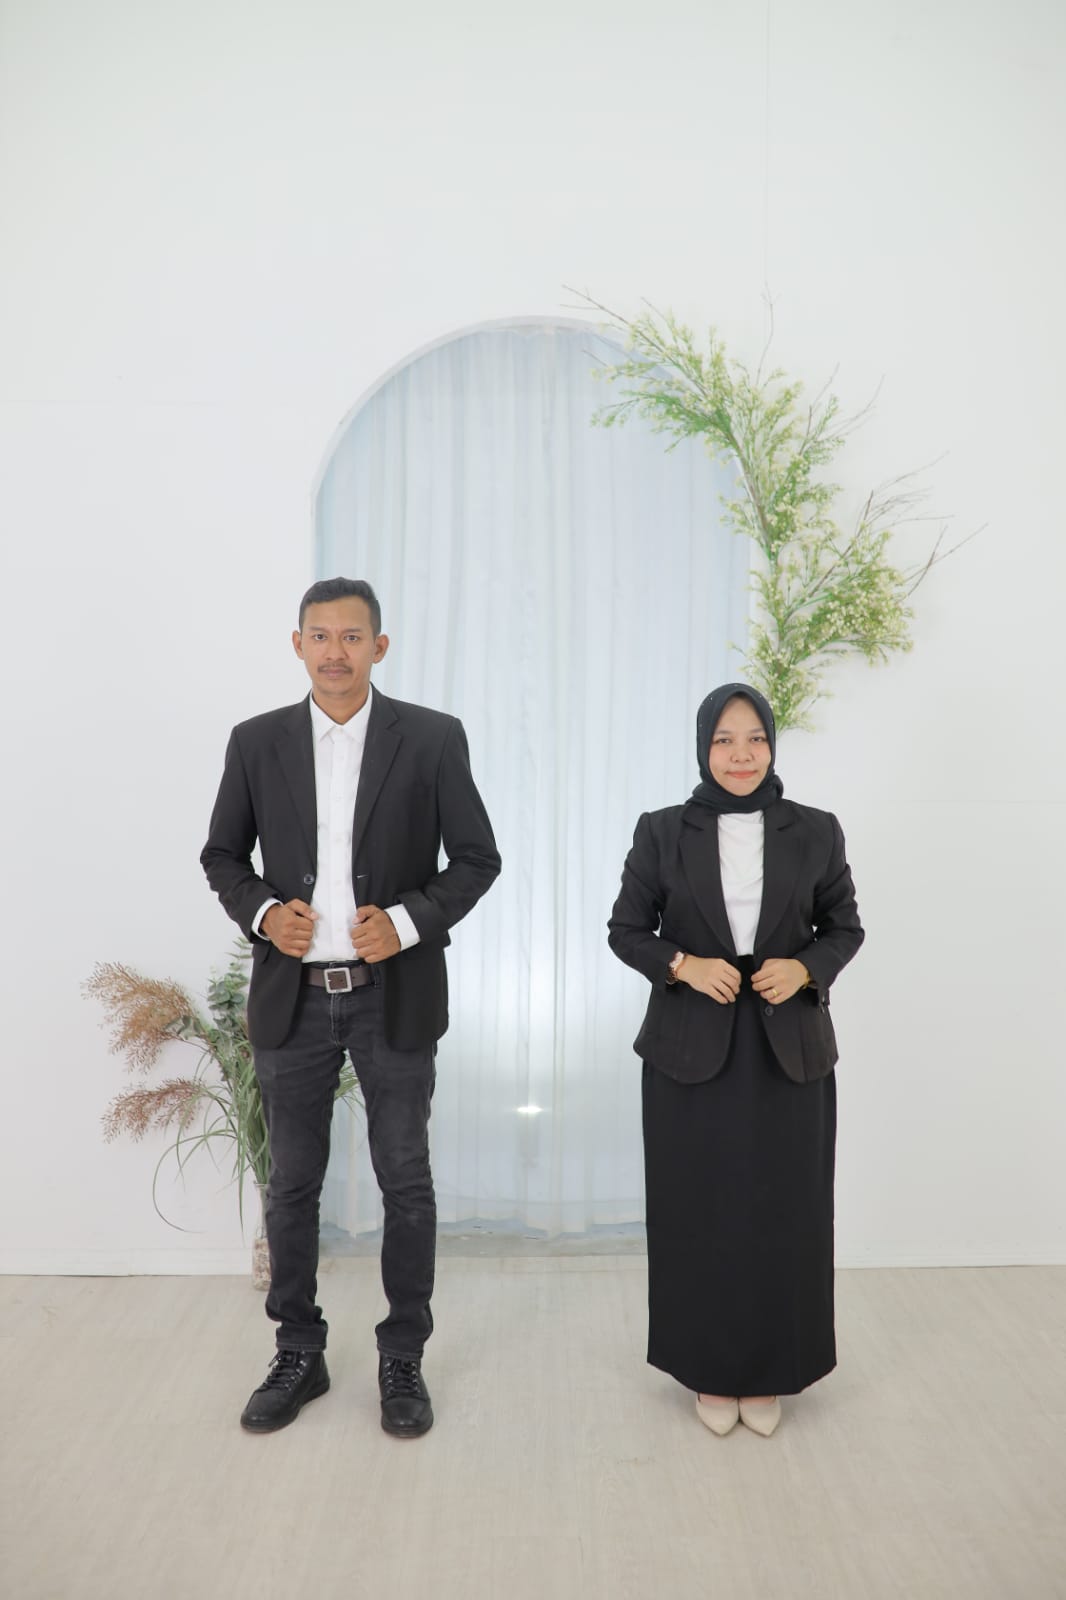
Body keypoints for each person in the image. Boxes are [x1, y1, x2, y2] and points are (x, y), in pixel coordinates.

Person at [201, 577, 500, 1438]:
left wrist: (404, 923)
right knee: (293, 1184)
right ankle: (299, 1350)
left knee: (406, 1181)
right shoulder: (255, 741)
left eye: (353, 636)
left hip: (392, 998)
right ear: (297, 644)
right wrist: (265, 913)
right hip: (292, 1001)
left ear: (380, 646)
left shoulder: (432, 738)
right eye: (320, 636)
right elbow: (222, 856)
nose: (336, 651)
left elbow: (476, 859)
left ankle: (402, 1355)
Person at [607, 683, 863, 1437]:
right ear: (703, 747)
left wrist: (806, 968)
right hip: (690, 1047)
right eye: (724, 740)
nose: (741, 754)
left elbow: (844, 926)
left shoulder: (815, 830)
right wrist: (682, 965)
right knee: (699, 1210)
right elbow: (626, 929)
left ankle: (773, 1369)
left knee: (788, 1211)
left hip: (791, 1050)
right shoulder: (662, 831)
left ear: (772, 745)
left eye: (755, 738)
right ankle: (708, 1369)